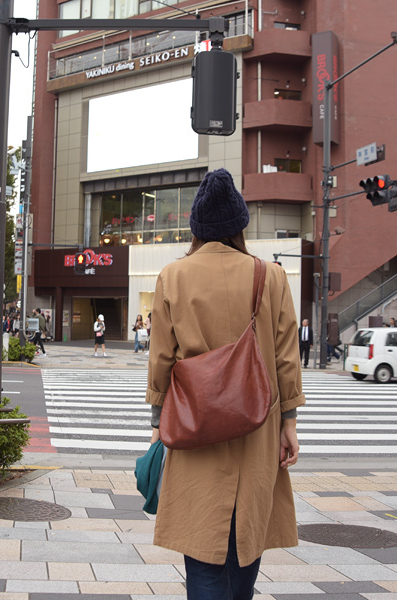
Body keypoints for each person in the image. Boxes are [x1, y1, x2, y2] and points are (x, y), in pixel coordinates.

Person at [146, 168, 303, 600]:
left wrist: (158, 420)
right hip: (258, 428)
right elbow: (286, 357)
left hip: (196, 428)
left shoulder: (172, 277)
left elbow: (161, 358)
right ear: (239, 225)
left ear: (196, 227)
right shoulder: (269, 276)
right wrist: (289, 422)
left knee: (202, 547)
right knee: (245, 544)